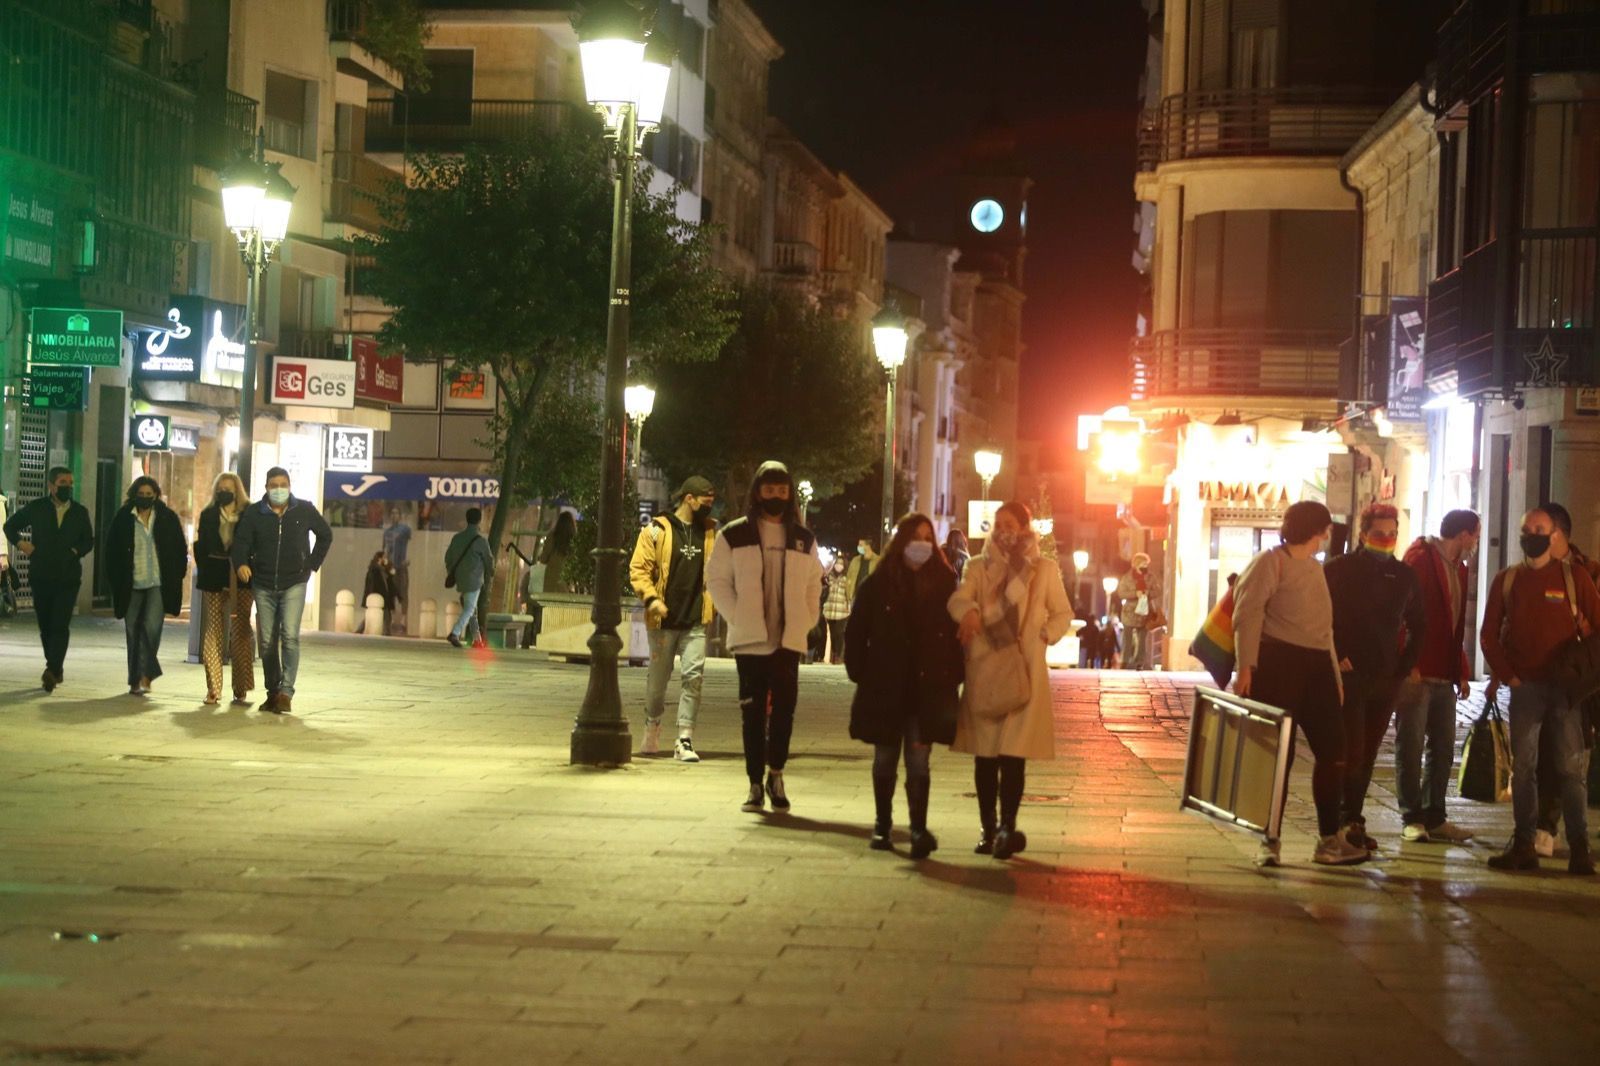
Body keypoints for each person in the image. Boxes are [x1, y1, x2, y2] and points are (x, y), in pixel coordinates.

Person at [1233, 500, 1364, 868]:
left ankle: (1329, 839)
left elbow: (1326, 631)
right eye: (1326, 530)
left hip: (1317, 669)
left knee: (1333, 752)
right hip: (1278, 666)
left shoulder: (1314, 568)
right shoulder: (1269, 562)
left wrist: (1334, 676)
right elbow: (1248, 613)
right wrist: (1246, 667)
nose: (1328, 536)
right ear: (1318, 530)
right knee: (1278, 758)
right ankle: (1268, 840)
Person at [949, 501, 1073, 860]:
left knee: (1013, 756)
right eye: (998, 523)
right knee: (986, 757)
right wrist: (970, 614)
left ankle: (1007, 826)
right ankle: (988, 830)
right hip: (986, 668)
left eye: (1011, 524)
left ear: (1024, 528)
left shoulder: (1043, 569)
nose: (1003, 529)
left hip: (1024, 669)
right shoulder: (976, 566)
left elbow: (1064, 612)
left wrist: (1046, 634)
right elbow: (959, 599)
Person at [1480, 508, 1598, 875]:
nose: (1531, 534)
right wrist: (1509, 676)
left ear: (1555, 535)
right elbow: (1488, 634)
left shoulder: (1574, 576)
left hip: (1565, 690)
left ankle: (1580, 849)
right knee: (1525, 768)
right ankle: (1525, 844)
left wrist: (1582, 669)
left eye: (1539, 529)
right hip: (1526, 688)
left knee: (1569, 769)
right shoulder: (1508, 579)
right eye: (1526, 529)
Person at [706, 461, 824, 814]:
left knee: (785, 711)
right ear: (757, 493)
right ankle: (755, 782)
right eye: (769, 490)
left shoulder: (803, 539)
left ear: (789, 496)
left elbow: (813, 584)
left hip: (788, 640)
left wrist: (806, 620)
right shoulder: (735, 534)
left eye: (782, 491)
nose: (776, 497)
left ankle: (777, 775)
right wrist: (738, 616)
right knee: (752, 714)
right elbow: (717, 581)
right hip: (750, 641)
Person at [848, 512, 963, 857]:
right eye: (916, 537)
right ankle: (882, 826)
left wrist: (954, 675)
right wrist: (860, 671)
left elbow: (956, 636)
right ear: (902, 541)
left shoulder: (945, 580)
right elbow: (857, 631)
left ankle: (917, 828)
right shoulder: (880, 581)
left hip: (925, 688)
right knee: (884, 756)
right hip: (886, 684)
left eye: (929, 538)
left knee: (918, 759)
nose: (922, 545)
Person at [1323, 502, 1424, 851]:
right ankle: (1341, 819)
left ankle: (1353, 817)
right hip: (1349, 675)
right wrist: (1338, 653)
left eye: (1392, 534)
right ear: (1364, 534)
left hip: (1385, 677)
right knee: (1350, 749)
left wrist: (1405, 663)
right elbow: (1323, 615)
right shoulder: (1339, 569)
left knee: (1366, 753)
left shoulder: (1405, 576)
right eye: (1379, 534)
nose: (1386, 540)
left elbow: (1418, 624)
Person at [1397, 509, 1481, 845]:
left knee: (1443, 748)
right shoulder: (1419, 559)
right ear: (1463, 535)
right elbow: (1402, 614)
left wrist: (1460, 668)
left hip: (1444, 674)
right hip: (1418, 671)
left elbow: (1452, 625)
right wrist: (1408, 662)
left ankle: (1435, 815)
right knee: (1410, 744)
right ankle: (1411, 816)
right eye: (1475, 534)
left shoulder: (1459, 569)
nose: (1476, 540)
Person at [629, 475, 718, 761]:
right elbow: (639, 569)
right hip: (663, 624)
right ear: (688, 499)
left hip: (695, 621)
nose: (708, 508)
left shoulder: (711, 533)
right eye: (705, 502)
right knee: (657, 685)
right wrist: (652, 599)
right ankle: (652, 726)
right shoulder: (657, 530)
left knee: (694, 678)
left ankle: (684, 739)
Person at [232, 467, 333, 714]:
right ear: (266, 487)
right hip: (263, 583)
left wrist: (311, 563)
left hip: (294, 583)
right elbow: (241, 542)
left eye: (283, 484)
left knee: (289, 635)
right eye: (274, 485)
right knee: (267, 641)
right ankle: (273, 690)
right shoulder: (255, 513)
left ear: (289, 485)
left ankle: (286, 691)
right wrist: (242, 563)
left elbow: (325, 535)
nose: (279, 489)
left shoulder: (304, 509)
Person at [1532, 502, 1600, 857]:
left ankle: (1577, 839)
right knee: (1545, 754)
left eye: (1541, 532)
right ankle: (1545, 825)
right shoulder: (1529, 573)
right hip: (1542, 678)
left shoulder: (1588, 572)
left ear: (1559, 535)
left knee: (1573, 759)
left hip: (1582, 682)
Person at [4, 466, 94, 692]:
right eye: (63, 482)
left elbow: (88, 541)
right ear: (52, 486)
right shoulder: (37, 508)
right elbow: (10, 526)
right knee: (46, 624)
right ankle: (55, 667)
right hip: (41, 575)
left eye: (70, 483)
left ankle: (52, 669)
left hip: (68, 577)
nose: (68, 487)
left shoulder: (79, 512)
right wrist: (24, 546)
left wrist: (75, 551)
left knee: (60, 624)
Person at [105, 476, 188, 696]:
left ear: (156, 496)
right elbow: (110, 550)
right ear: (134, 496)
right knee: (133, 631)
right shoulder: (123, 518)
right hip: (131, 582)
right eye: (140, 495)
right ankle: (136, 678)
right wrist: (115, 578)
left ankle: (146, 674)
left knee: (151, 628)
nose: (144, 499)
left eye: (149, 495)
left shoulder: (167, 518)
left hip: (157, 583)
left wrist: (178, 573)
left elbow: (180, 548)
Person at [194, 472, 254, 705]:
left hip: (241, 577)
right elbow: (202, 543)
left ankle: (240, 685)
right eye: (220, 488)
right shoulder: (208, 514)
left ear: (237, 490)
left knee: (240, 630)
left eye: (228, 488)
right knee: (214, 630)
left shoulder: (249, 513)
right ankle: (213, 688)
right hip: (213, 575)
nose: (224, 492)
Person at [444, 507, 496, 648]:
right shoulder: (481, 541)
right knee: (470, 608)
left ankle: (477, 639)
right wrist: (491, 572)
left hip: (460, 578)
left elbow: (448, 557)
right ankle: (455, 633)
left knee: (471, 609)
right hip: (474, 579)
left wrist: (453, 571)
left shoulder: (457, 538)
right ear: (479, 520)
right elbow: (489, 560)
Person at [1116, 553, 1158, 670]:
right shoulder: (1127, 578)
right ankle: (1125, 661)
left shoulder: (1150, 577)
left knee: (1142, 639)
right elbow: (1121, 593)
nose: (1146, 566)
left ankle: (1139, 662)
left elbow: (1157, 591)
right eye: (1143, 563)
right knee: (1127, 638)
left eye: (1147, 564)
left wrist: (1148, 593)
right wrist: (1135, 594)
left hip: (1145, 612)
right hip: (1130, 612)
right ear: (1136, 564)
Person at [382, 506, 412, 635]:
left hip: (402, 566)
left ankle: (404, 620)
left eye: (396, 513)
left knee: (403, 592)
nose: (394, 516)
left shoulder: (405, 530)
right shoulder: (387, 532)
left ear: (400, 516)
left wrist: (408, 559)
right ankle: (394, 621)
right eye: (392, 513)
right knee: (391, 593)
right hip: (391, 567)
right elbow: (385, 549)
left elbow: (411, 545)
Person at [360, 550, 399, 635]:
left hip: (384, 596)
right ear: (380, 558)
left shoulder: (383, 569)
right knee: (383, 616)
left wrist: (388, 566)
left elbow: (392, 574)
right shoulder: (374, 569)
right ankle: (387, 632)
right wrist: (372, 596)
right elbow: (372, 584)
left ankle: (387, 632)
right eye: (384, 557)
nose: (386, 559)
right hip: (379, 596)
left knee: (385, 616)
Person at [821, 557, 851, 664]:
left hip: (842, 610)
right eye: (837, 563)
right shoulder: (829, 577)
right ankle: (834, 654)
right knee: (833, 634)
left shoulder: (847, 578)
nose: (839, 565)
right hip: (829, 609)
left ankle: (839, 655)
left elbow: (849, 593)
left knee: (839, 633)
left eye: (841, 563)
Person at [540, 510, 577, 593]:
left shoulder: (552, 537)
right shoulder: (574, 540)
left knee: (548, 604)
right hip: (566, 583)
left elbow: (543, 559)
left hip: (550, 579)